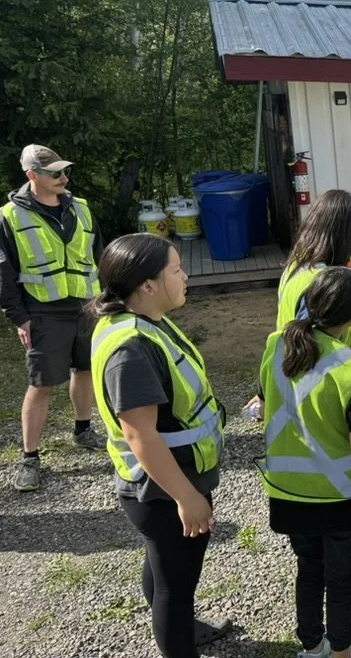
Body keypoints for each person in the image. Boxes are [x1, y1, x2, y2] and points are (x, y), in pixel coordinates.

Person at [89, 234, 230, 658]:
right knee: (175, 587)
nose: (185, 276)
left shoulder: (145, 323)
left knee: (165, 567)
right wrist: (186, 497)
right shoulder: (131, 350)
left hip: (165, 483)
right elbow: (141, 435)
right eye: (176, 269)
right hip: (163, 489)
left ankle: (180, 626)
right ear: (147, 285)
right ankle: (177, 635)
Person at [250, 188, 351, 582]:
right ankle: (342, 559)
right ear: (343, 232)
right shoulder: (322, 279)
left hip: (300, 380)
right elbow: (322, 338)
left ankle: (345, 544)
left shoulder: (297, 268)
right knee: (334, 466)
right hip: (325, 387)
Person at [258, 267, 351, 658]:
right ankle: (343, 650)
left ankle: (312, 647)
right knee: (341, 579)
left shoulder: (276, 345)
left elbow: (265, 399)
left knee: (309, 569)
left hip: (288, 492)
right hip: (340, 496)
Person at [1, 145, 107, 492]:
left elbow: (100, 255)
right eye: (55, 173)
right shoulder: (10, 216)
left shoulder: (81, 208)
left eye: (64, 171)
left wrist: (108, 298)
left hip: (87, 306)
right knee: (42, 384)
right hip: (43, 311)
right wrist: (19, 317)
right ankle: (30, 458)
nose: (64, 178)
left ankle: (83, 430)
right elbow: (4, 273)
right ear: (32, 175)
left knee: (85, 370)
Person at [276, 189, 351, 348]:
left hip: (290, 357)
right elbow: (314, 346)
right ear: (345, 235)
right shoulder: (324, 283)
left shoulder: (296, 266)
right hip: (332, 363)